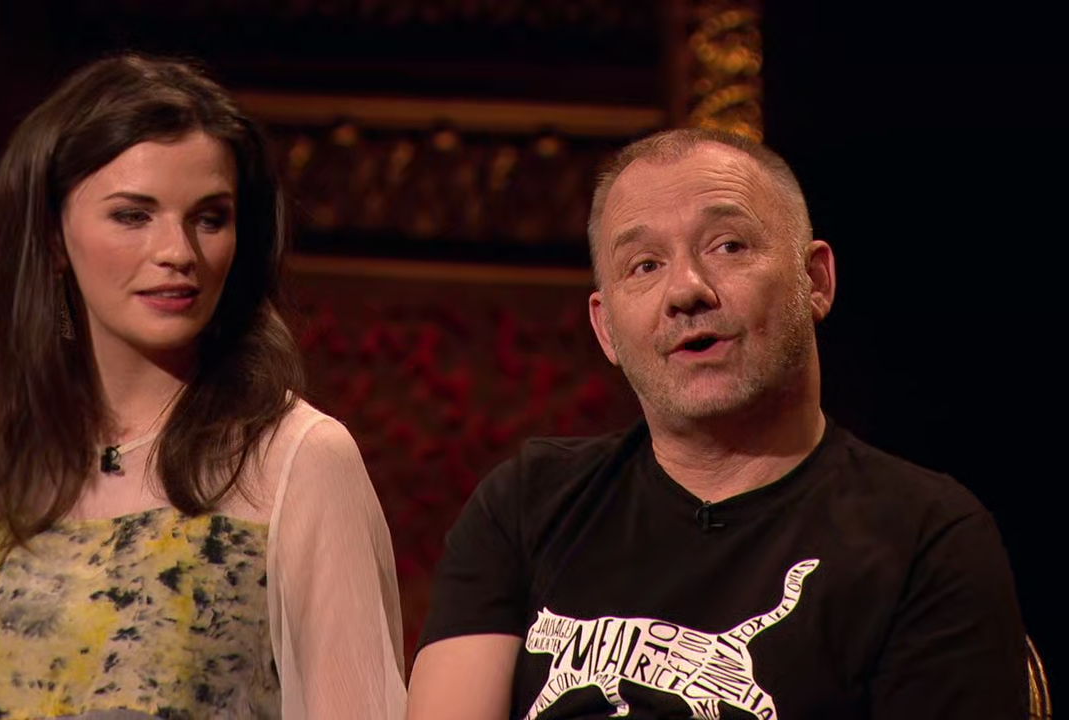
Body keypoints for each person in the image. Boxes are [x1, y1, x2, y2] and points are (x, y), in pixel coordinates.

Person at [407, 128, 1026, 719]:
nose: (686, 290)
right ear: (605, 328)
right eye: (644, 265)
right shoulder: (526, 504)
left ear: (815, 280)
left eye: (728, 246)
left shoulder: (925, 536)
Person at [0, 54, 406, 719]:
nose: (179, 252)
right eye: (133, 216)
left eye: (209, 218)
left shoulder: (298, 458)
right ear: (52, 236)